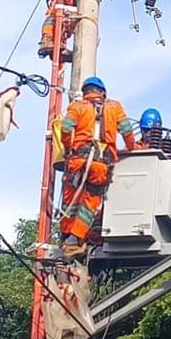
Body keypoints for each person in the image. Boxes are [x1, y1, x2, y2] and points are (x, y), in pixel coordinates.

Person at [55, 76, 136, 258]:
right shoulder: (114, 107)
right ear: (103, 92)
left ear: (85, 92)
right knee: (90, 203)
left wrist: (69, 149)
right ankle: (74, 240)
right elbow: (127, 131)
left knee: (70, 200)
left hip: (78, 160)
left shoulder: (77, 106)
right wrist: (131, 148)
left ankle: (66, 237)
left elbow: (66, 129)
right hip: (101, 164)